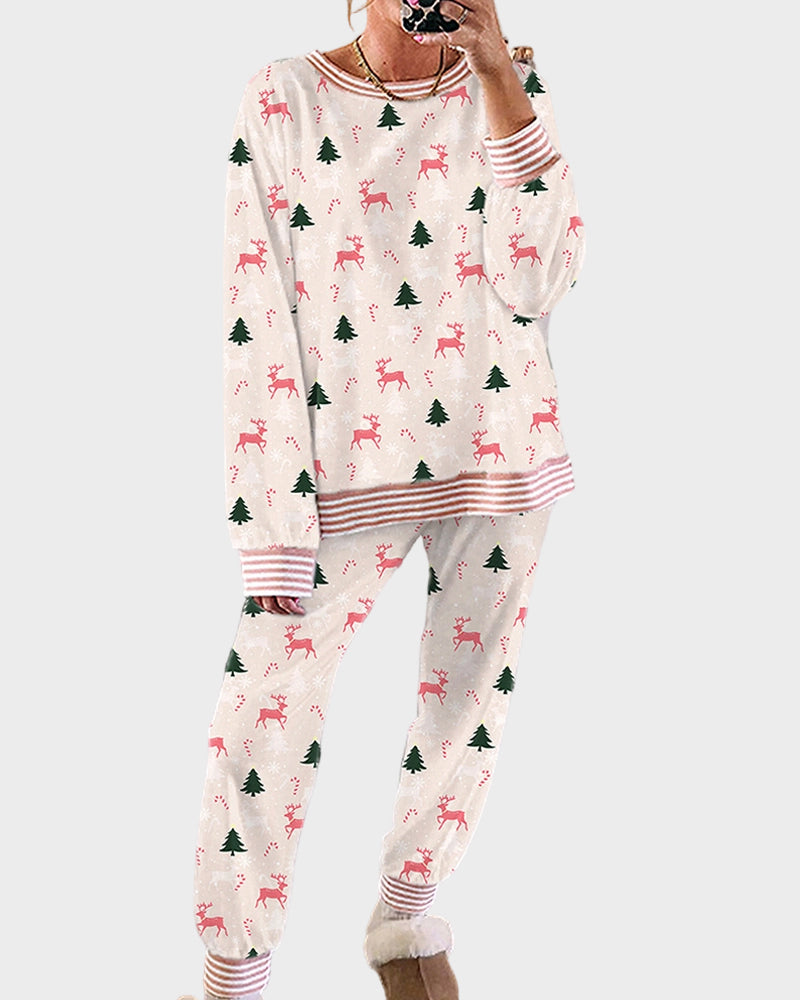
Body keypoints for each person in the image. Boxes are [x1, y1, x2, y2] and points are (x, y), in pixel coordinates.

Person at [190, 0, 585, 997]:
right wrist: (271, 514)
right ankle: (235, 966)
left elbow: (543, 277)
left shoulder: (506, 81)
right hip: (339, 475)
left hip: (497, 450)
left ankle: (405, 918)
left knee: (469, 699)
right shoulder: (282, 97)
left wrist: (497, 77)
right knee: (265, 701)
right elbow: (254, 310)